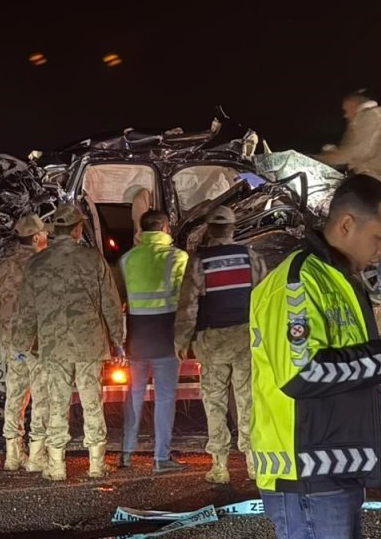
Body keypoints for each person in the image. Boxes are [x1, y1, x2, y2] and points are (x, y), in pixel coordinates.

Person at [250, 174, 381, 539]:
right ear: (346, 224)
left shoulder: (339, 279)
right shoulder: (300, 281)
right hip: (308, 472)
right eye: (380, 236)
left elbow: (344, 357)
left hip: (330, 465)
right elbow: (301, 373)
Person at [16, 205, 124, 481]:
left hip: (53, 346)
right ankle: (96, 464)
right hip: (89, 342)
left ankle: (57, 465)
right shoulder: (92, 258)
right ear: (78, 229)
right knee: (92, 403)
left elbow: (26, 309)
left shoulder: (37, 263)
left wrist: (21, 344)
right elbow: (110, 303)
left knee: (56, 402)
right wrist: (117, 339)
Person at [174, 206, 269, 484]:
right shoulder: (250, 257)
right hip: (244, 339)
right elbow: (264, 298)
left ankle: (220, 466)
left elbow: (188, 305)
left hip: (213, 341)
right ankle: (254, 463)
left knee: (214, 402)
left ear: (209, 230)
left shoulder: (199, 262)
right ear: (232, 228)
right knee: (248, 400)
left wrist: (181, 340)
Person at [314, 91, 381, 301]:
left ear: (354, 103)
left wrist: (323, 158)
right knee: (380, 229)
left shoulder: (370, 118)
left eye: (346, 109)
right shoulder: (366, 120)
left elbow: (355, 152)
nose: (345, 114)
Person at [120, 209, 188, 474]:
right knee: (165, 398)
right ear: (165, 228)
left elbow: (123, 296)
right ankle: (161, 459)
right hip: (166, 335)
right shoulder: (177, 258)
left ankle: (126, 455)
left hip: (137, 336)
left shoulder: (127, 260)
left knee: (134, 395)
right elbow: (185, 297)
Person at [0, 214, 50, 472]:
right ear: (37, 237)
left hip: (11, 342)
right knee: (42, 397)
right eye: (45, 234)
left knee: (15, 397)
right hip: (37, 342)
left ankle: (13, 453)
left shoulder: (5, 266)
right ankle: (38, 455)